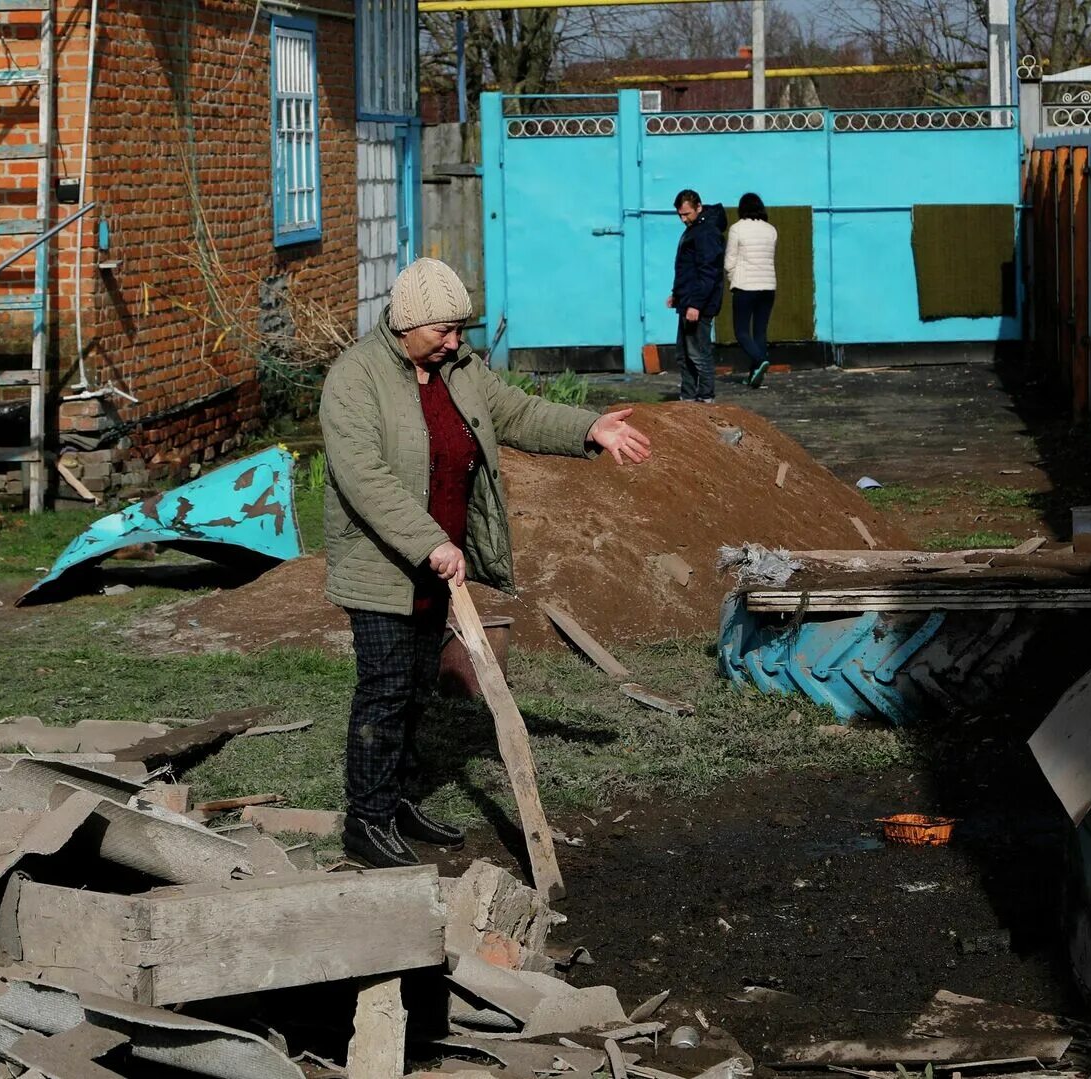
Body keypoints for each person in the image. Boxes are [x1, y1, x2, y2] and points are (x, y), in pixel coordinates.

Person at [320, 257, 653, 869]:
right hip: (382, 562)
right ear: (407, 323)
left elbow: (518, 413)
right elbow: (364, 478)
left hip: (437, 560)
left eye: (460, 329)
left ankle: (397, 802)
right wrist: (429, 541)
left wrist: (590, 428)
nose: (456, 341)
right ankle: (365, 821)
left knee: (418, 688)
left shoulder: (460, 368)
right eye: (444, 330)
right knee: (386, 690)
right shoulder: (355, 379)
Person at [667, 188, 724, 403]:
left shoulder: (706, 232)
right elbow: (687, 269)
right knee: (684, 354)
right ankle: (688, 397)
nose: (683, 219)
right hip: (688, 301)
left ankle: (705, 397)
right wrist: (677, 295)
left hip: (698, 305)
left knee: (698, 353)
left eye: (686, 214)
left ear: (698, 207)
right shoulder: (694, 229)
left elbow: (708, 272)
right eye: (680, 215)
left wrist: (696, 305)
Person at [726, 192, 778, 389]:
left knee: (741, 331)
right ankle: (755, 376)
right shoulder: (771, 230)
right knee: (760, 332)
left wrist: (733, 278)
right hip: (768, 286)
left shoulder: (737, 229)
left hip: (745, 286)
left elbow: (730, 260)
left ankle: (759, 360)